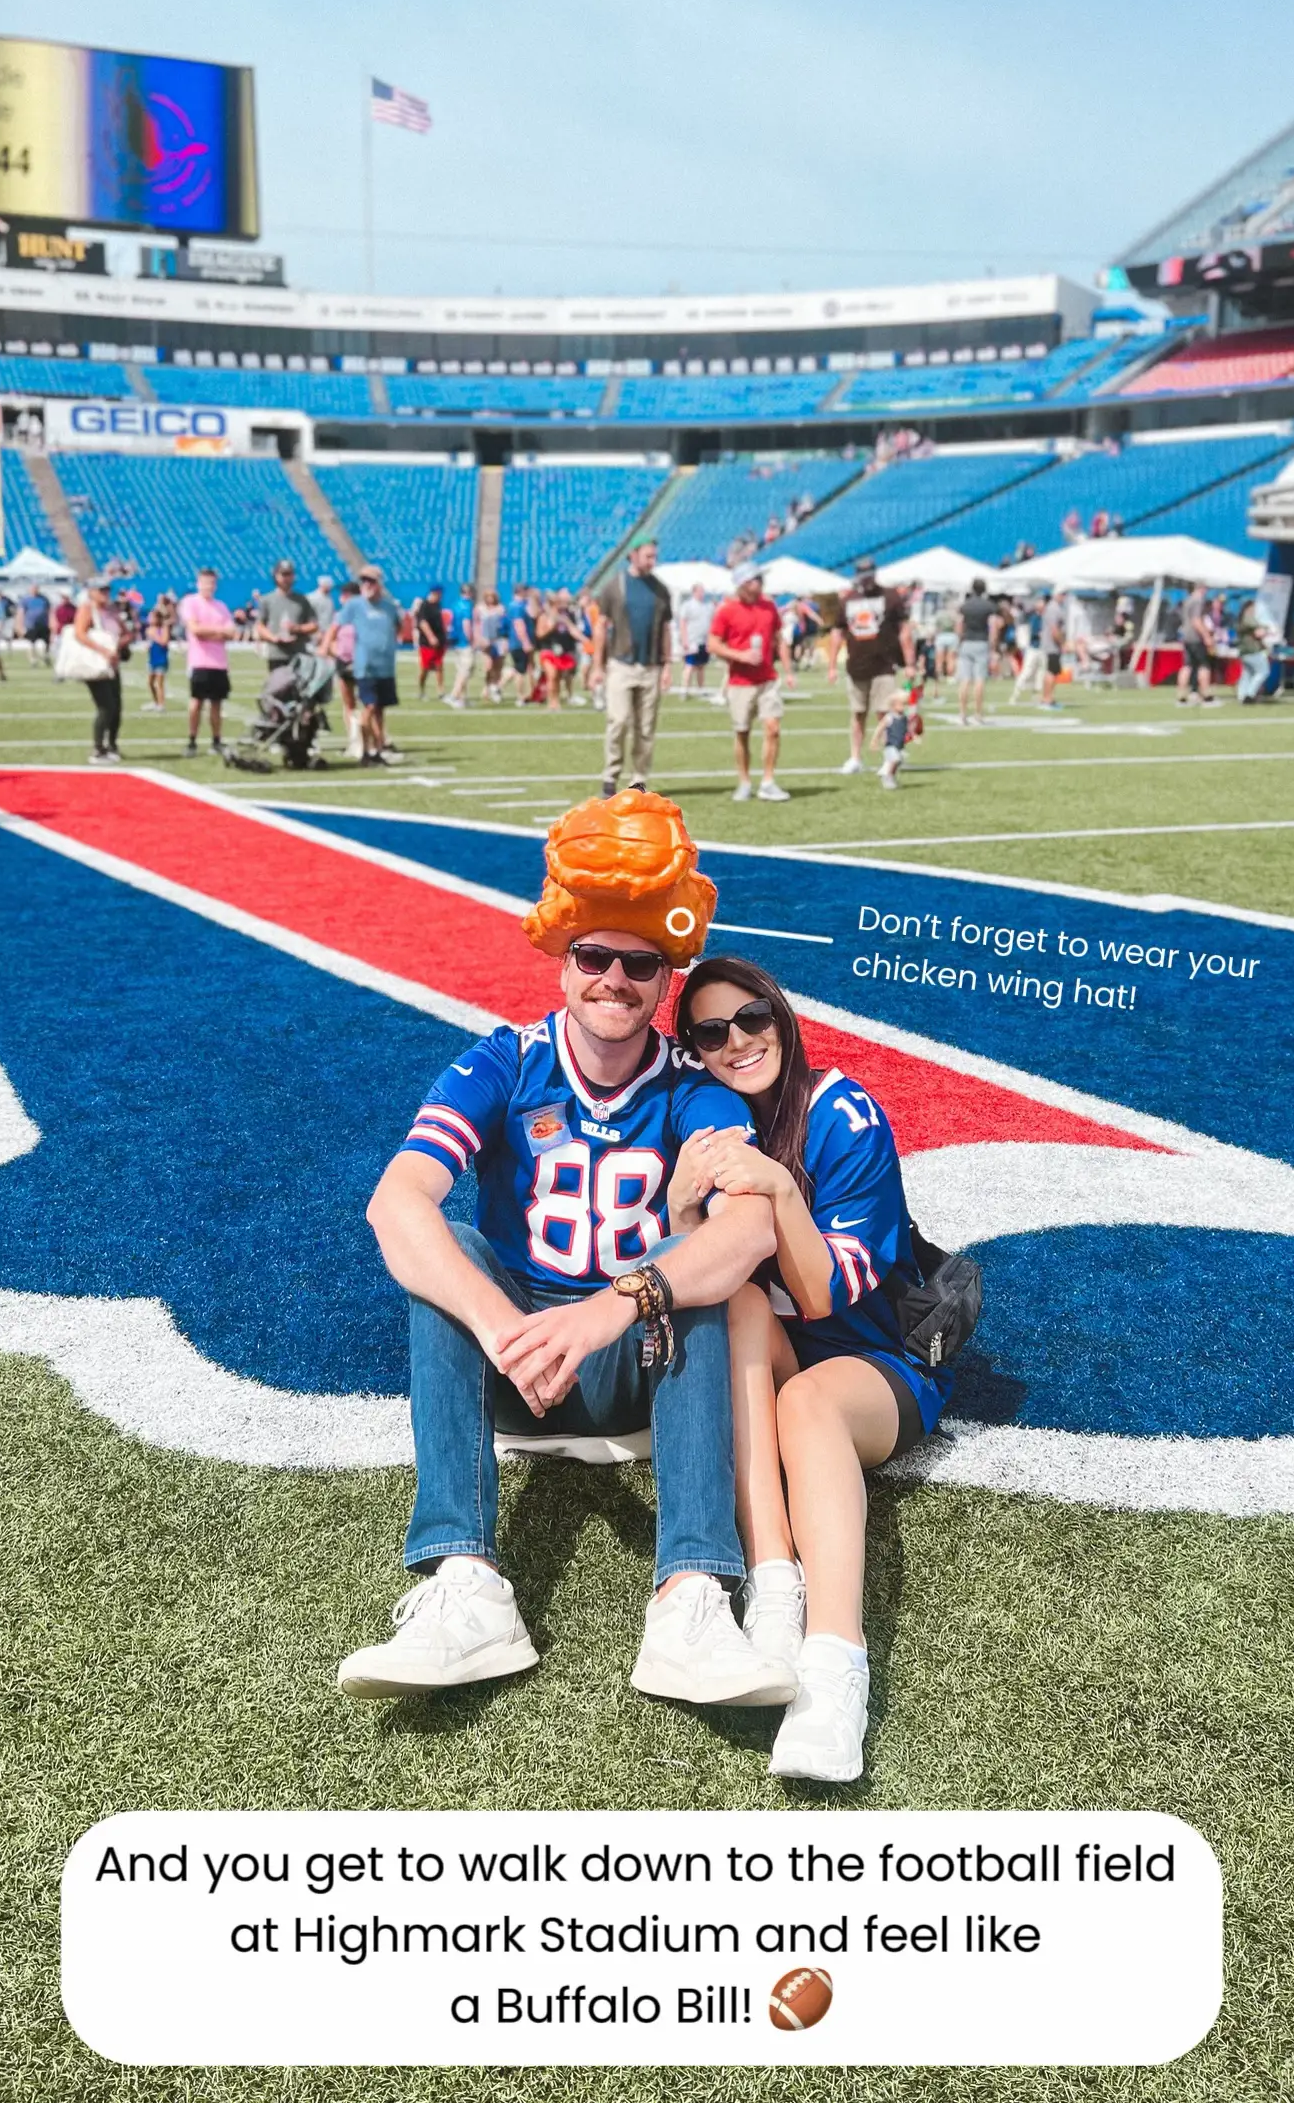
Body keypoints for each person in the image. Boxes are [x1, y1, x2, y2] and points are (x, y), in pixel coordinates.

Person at [342, 790, 797, 1710]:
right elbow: (396, 1202)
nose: (614, 979)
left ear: (665, 979)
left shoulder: (690, 1086)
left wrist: (607, 1309)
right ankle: (465, 1582)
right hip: (513, 1366)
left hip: (631, 1358)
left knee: (697, 1250)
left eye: (640, 963)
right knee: (453, 1240)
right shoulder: (504, 1060)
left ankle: (691, 1593)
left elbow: (751, 1226)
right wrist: (508, 1327)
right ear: (563, 959)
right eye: (596, 956)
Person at [669, 958, 956, 1781]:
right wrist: (685, 1207)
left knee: (804, 1403)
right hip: (783, 1350)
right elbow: (699, 1271)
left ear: (783, 1016)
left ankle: (835, 1664)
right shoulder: (706, 1121)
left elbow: (828, 1295)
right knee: (737, 1308)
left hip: (876, 1360)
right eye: (712, 1032)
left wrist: (780, 1194)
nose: (738, 1042)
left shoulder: (843, 1112)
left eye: (753, 1017)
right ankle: (772, 1582)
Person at [591, 538, 673, 796]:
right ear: (633, 555)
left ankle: (638, 779)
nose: (652, 561)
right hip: (621, 664)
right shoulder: (614, 586)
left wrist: (667, 664)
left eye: (654, 556)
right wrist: (597, 666)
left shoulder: (660, 590)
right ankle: (610, 776)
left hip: (650, 666)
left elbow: (666, 629)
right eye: (648, 556)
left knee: (646, 727)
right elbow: (601, 626)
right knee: (619, 721)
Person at [709, 563, 788, 803]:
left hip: (767, 678)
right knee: (742, 732)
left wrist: (788, 669)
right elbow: (713, 644)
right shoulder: (726, 610)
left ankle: (768, 781)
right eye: (755, 579)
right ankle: (744, 781)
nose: (760, 583)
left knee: (773, 728)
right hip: (740, 681)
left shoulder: (769, 607)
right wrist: (740, 656)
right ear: (743, 583)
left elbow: (778, 638)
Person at [833, 555, 909, 775]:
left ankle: (889, 757)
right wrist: (831, 665)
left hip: (884, 663)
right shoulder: (848, 600)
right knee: (858, 714)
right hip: (856, 665)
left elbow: (903, 629)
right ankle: (855, 757)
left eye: (869, 575)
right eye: (862, 575)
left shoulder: (890, 596)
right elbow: (838, 631)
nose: (866, 580)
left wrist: (909, 661)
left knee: (884, 713)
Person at [65, 573, 126, 762]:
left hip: (112, 665)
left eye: (107, 590)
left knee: (116, 707)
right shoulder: (87, 609)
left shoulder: (111, 611)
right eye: (101, 590)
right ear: (91, 592)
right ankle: (98, 749)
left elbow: (125, 632)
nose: (105, 594)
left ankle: (112, 745)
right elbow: (80, 634)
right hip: (95, 664)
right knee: (105, 706)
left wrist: (119, 645)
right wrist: (103, 650)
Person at [350, 567, 405, 766]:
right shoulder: (355, 605)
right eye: (363, 581)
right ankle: (365, 751)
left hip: (385, 666)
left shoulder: (389, 607)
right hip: (365, 666)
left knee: (380, 710)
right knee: (370, 707)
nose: (367, 585)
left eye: (371, 581)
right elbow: (339, 629)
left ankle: (377, 751)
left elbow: (398, 626)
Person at [182, 568, 236, 759]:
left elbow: (231, 632)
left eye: (212, 583)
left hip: (219, 663)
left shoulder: (220, 605)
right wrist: (219, 631)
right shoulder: (190, 602)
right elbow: (196, 629)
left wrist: (212, 632)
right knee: (196, 703)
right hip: (200, 661)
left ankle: (216, 740)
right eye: (205, 582)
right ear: (198, 583)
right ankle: (192, 740)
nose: (208, 586)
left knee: (217, 705)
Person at [321, 575, 362, 754]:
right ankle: (353, 741)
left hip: (362, 663)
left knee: (368, 704)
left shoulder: (363, 616)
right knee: (348, 704)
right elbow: (330, 638)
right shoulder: (339, 616)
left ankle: (371, 741)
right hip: (343, 663)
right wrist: (335, 653)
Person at [954, 577, 999, 726]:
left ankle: (962, 713)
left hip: (967, 642)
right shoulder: (989, 606)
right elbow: (993, 626)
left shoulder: (965, 606)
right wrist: (993, 646)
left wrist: (959, 640)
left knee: (965, 680)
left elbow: (959, 624)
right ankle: (978, 713)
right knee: (979, 679)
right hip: (981, 641)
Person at [257, 559, 317, 671]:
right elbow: (260, 626)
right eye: (283, 574)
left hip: (299, 653)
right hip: (277, 654)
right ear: (276, 576)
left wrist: (297, 629)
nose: (286, 578)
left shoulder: (302, 600)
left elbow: (313, 625)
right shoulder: (267, 600)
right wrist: (274, 638)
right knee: (278, 687)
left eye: (289, 574)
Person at [1175, 584, 1220, 708]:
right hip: (1196, 637)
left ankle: (1181, 696)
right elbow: (1196, 620)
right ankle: (1206, 697)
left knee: (1187, 665)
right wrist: (1206, 636)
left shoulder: (1187, 600)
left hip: (1186, 636)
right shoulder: (1198, 600)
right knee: (1203, 665)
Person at [536, 590, 579, 713]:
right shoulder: (543, 616)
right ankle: (551, 702)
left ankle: (556, 701)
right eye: (556, 604)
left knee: (558, 677)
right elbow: (539, 634)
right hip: (547, 650)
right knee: (552, 675)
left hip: (560, 651)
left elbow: (572, 630)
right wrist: (551, 628)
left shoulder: (564, 616)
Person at [1234, 593, 1276, 704]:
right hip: (1252, 650)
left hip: (1243, 651)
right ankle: (1250, 694)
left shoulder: (1240, 620)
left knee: (1247, 674)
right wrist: (1268, 629)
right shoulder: (1249, 619)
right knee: (1263, 671)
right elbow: (1258, 633)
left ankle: (1241, 695)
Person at [877, 683, 919, 791]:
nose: (905, 707)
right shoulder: (890, 717)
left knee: (898, 761)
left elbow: (908, 729)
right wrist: (875, 740)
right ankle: (888, 777)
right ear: (894, 705)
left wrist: (914, 736)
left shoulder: (904, 718)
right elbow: (880, 728)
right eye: (902, 704)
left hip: (899, 745)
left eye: (906, 704)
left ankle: (889, 775)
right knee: (895, 759)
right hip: (891, 744)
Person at [677, 580, 715, 697]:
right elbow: (682, 623)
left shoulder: (707, 606)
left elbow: (712, 621)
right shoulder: (688, 606)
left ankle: (701, 689)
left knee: (701, 666)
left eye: (703, 591)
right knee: (689, 665)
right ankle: (684, 690)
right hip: (692, 640)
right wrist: (684, 640)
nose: (701, 593)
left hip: (704, 640)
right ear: (694, 592)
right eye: (699, 591)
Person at [415, 585, 451, 699]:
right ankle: (421, 689)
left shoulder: (438, 605)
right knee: (425, 667)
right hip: (427, 642)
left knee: (439, 665)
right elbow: (422, 622)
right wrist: (431, 637)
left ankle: (440, 691)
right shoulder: (424, 605)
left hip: (440, 640)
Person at [445, 584, 478, 710]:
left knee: (460, 670)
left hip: (456, 641)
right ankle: (454, 695)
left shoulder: (455, 604)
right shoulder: (467, 605)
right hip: (464, 642)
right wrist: (471, 639)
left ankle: (462, 698)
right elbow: (466, 623)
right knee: (466, 670)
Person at [504, 589, 539, 705]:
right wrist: (525, 642)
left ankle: (498, 687)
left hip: (520, 641)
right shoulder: (517, 606)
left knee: (523, 668)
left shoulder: (522, 605)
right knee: (520, 670)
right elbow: (519, 624)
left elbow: (534, 614)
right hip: (519, 643)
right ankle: (519, 697)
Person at [20, 583, 51, 665]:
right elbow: (21, 613)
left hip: (43, 624)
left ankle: (45, 656)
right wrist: (20, 626)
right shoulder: (26, 600)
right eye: (33, 589)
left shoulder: (44, 599)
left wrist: (51, 623)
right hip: (31, 625)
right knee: (31, 643)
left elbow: (49, 611)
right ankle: (33, 659)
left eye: (36, 589)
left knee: (46, 642)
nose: (34, 590)